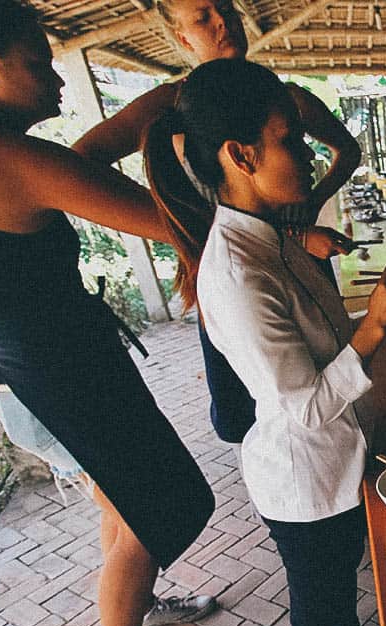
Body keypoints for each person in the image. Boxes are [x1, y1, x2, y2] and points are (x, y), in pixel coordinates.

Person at [0, 0, 216, 626]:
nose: (55, 79)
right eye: (39, 61)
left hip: (27, 367)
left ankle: (137, 606)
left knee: (121, 498)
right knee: (153, 506)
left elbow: (55, 181)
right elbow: (170, 221)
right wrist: (162, 132)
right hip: (51, 371)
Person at [144, 59, 386, 626]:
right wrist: (375, 329)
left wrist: (371, 325)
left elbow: (318, 353)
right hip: (302, 477)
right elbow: (304, 405)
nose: (308, 154)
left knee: (345, 566)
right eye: (291, 139)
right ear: (242, 155)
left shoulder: (274, 236)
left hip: (335, 458)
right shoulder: (237, 272)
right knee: (313, 602)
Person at [72, 0, 362, 445]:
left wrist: (306, 211)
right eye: (202, 16)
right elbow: (80, 165)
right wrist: (185, 228)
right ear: (182, 38)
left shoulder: (282, 101)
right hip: (235, 272)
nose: (222, 23)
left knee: (331, 373)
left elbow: (347, 150)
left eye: (225, 8)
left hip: (299, 257)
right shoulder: (165, 106)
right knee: (243, 412)